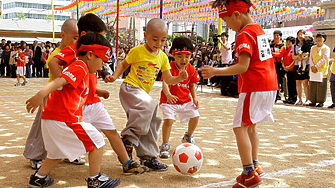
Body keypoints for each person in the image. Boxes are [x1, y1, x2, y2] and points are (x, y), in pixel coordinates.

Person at [51, 14, 148, 174]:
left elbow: (86, 80)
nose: (101, 42)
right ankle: (43, 171)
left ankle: (127, 163)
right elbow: (54, 61)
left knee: (112, 132)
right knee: (72, 140)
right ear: (84, 35)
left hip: (95, 104)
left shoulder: (94, 54)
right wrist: (59, 83)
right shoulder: (74, 51)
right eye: (99, 37)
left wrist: (98, 91)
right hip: (78, 107)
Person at [25, 32, 120, 188]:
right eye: (101, 61)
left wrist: (99, 91)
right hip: (64, 118)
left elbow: (72, 88)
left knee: (56, 152)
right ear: (90, 55)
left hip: (52, 118)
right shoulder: (80, 66)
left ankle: (39, 178)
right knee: (98, 141)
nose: (102, 66)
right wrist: (41, 94)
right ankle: (95, 179)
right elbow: (59, 81)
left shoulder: (80, 68)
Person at [205, 1, 278, 187]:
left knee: (239, 128)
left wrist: (215, 71)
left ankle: (249, 174)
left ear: (237, 15)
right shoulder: (258, 30)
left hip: (255, 86)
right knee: (250, 127)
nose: (226, 25)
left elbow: (243, 67)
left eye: (226, 20)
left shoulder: (244, 34)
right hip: (269, 85)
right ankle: (254, 165)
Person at [105, 18, 188, 171]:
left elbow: (168, 79)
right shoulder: (137, 51)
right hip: (130, 88)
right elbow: (124, 64)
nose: (158, 43)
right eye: (155, 39)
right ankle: (128, 139)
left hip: (142, 93)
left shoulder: (163, 57)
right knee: (149, 105)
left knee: (154, 118)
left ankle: (148, 157)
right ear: (146, 35)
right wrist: (115, 76)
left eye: (163, 40)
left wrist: (179, 78)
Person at [23, 18, 81, 170]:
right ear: (63, 35)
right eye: (75, 38)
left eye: (79, 38)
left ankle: (70, 153)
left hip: (69, 97)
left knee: (72, 125)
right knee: (41, 127)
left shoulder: (76, 53)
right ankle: (35, 155)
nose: (77, 41)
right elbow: (60, 78)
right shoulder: (57, 54)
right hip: (52, 95)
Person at [158, 37, 200, 159]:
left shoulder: (191, 69)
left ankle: (188, 135)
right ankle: (165, 144)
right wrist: (168, 94)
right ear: (174, 55)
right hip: (169, 101)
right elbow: (165, 82)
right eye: (180, 56)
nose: (184, 59)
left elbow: (192, 85)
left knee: (195, 116)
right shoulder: (169, 66)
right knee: (169, 121)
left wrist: (194, 99)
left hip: (185, 100)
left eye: (187, 56)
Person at [272, 36, 297, 104]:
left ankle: (293, 98)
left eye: (290, 42)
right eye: (287, 41)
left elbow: (294, 60)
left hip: (292, 69)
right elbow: (280, 55)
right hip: (286, 69)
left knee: (293, 84)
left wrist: (289, 66)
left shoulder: (294, 49)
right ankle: (289, 97)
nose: (288, 43)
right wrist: (284, 66)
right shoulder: (284, 48)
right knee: (288, 83)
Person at [308, 32, 330, 107]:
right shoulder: (312, 48)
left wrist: (316, 66)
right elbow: (310, 58)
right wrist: (312, 66)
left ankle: (320, 101)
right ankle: (312, 100)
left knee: (321, 86)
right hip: (313, 69)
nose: (319, 39)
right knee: (313, 85)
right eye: (318, 37)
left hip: (322, 70)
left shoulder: (326, 48)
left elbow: (324, 58)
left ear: (324, 39)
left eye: (321, 37)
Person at [292, 29, 309, 105]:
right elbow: (293, 56)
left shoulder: (308, 44)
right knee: (298, 82)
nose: (300, 36)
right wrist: (298, 57)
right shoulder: (295, 46)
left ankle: (307, 99)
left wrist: (302, 57)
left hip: (306, 64)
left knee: (305, 82)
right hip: (297, 65)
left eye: (302, 34)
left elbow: (308, 55)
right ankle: (300, 99)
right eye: (299, 34)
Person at [270, 30, 285, 101]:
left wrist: (272, 54)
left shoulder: (282, 45)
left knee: (278, 80)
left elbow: (280, 54)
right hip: (271, 64)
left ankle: (278, 94)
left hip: (279, 64)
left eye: (277, 36)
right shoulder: (270, 45)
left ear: (280, 37)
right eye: (274, 35)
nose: (275, 37)